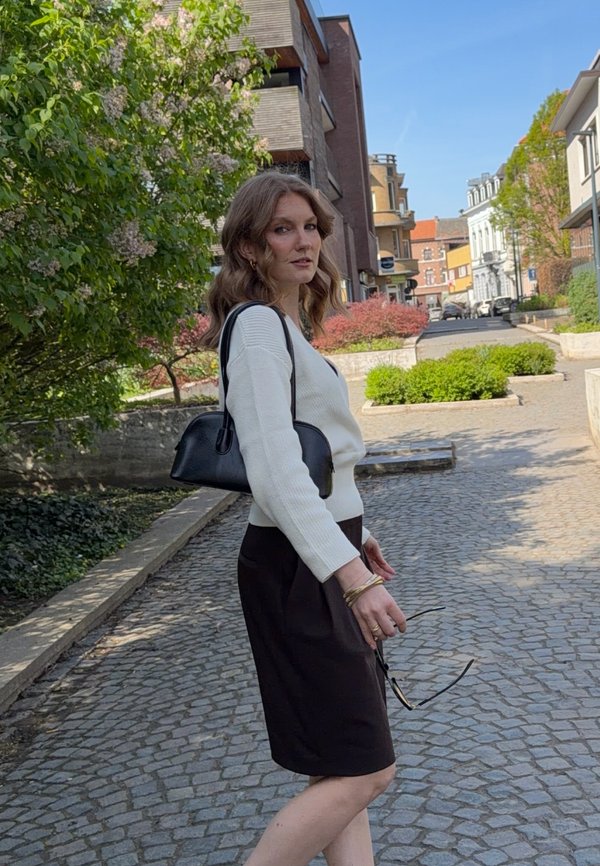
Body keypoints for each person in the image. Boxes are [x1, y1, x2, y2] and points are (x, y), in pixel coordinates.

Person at [202, 170, 407, 866]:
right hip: (299, 569)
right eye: (282, 228)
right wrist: (352, 575)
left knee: (340, 764)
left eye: (310, 226)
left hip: (319, 552)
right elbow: (276, 472)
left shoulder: (286, 325)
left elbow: (319, 465)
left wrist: (360, 534)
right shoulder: (258, 327)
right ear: (251, 247)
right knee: (368, 768)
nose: (303, 240)